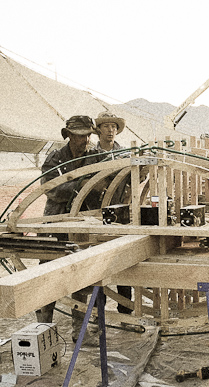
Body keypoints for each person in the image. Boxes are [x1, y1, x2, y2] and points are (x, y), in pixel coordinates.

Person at [36, 115, 106, 340]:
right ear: (68, 136)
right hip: (55, 223)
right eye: (79, 136)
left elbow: (115, 165)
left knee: (81, 276)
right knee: (49, 273)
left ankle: (80, 331)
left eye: (87, 135)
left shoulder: (96, 157)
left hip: (83, 225)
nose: (84, 140)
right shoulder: (55, 159)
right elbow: (51, 190)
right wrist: (81, 185)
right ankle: (43, 329)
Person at [93, 111, 133, 314]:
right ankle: (96, 311)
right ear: (98, 129)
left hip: (118, 215)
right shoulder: (90, 154)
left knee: (122, 260)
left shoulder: (125, 154)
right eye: (107, 126)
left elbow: (132, 180)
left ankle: (125, 309)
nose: (111, 130)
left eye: (114, 127)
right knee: (94, 263)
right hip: (93, 215)